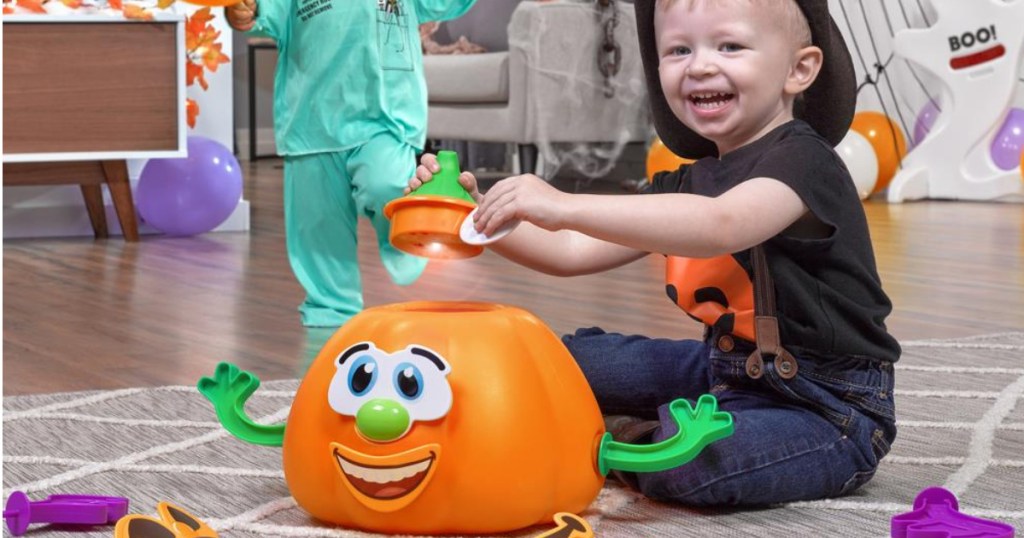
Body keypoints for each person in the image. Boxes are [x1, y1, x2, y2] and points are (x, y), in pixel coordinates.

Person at [408, 0, 900, 506]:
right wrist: (476, 214)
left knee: (686, 463)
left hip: (828, 405)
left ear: (799, 69)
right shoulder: (686, 181)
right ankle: (607, 418)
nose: (700, 64)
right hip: (723, 370)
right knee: (557, 360)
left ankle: (611, 436)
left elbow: (722, 224)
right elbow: (571, 250)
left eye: (729, 46)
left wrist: (564, 203)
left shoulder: (805, 161)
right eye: (678, 49)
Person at [226, 0, 476, 327]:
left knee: (387, 185)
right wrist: (241, 12)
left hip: (385, 118)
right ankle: (331, 310)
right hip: (311, 122)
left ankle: (403, 239)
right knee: (317, 227)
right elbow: (258, 11)